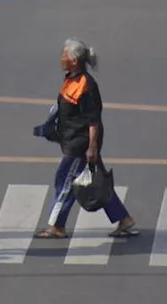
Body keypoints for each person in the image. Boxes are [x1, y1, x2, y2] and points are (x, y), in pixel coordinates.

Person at [36, 39, 139, 240]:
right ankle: (123, 219)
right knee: (95, 182)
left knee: (65, 182)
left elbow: (93, 121)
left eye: (64, 55)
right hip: (72, 141)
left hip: (80, 145)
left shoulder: (87, 86)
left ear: (74, 60)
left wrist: (91, 148)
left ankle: (56, 226)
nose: (61, 59)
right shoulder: (72, 79)